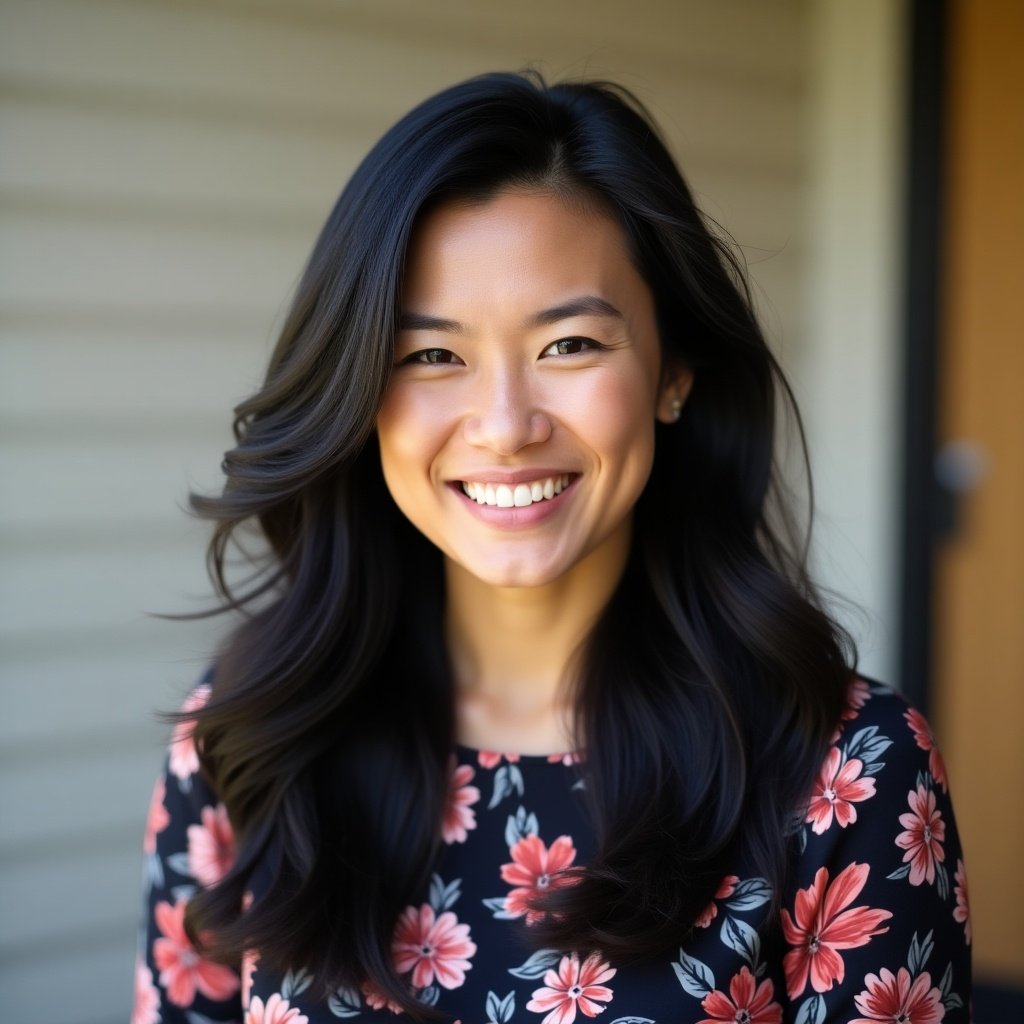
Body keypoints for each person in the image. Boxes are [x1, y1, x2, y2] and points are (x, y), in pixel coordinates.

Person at [133, 72, 971, 1024]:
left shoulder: (847, 772)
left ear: (674, 372)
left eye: (569, 345)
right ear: (360, 393)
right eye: (431, 356)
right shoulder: (250, 739)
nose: (504, 426)